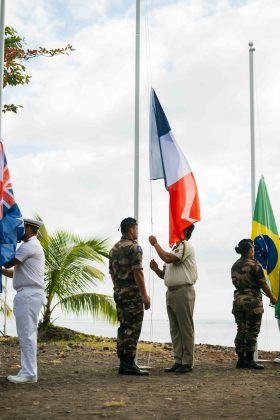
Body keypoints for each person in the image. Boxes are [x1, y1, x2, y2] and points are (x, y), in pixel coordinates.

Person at [149, 224, 197, 373]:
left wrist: (155, 244)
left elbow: (167, 258)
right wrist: (156, 269)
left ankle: (187, 362)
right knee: (175, 328)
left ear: (184, 232)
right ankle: (178, 359)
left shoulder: (185, 246)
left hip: (183, 291)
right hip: (171, 291)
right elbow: (165, 274)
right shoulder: (176, 248)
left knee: (185, 327)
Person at [2, 218, 45, 384]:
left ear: (28, 229)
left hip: (29, 294)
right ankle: (27, 370)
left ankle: (29, 373)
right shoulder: (30, 247)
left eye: (21, 228)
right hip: (28, 293)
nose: (19, 231)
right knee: (26, 334)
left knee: (26, 335)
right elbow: (15, 273)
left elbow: (8, 262)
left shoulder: (28, 246)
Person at [109, 217, 151, 376]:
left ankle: (123, 362)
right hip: (132, 294)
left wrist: (118, 288)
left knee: (123, 326)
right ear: (132, 229)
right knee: (133, 327)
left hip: (119, 291)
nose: (137, 232)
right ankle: (129, 363)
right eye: (137, 229)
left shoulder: (114, 249)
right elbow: (138, 273)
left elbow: (112, 273)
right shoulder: (134, 248)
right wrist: (145, 296)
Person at [231, 238, 277, 369]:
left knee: (241, 329)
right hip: (252, 301)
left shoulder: (235, 265)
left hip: (238, 300)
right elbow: (263, 284)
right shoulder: (254, 265)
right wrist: (272, 297)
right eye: (253, 249)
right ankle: (250, 360)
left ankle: (241, 360)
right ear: (250, 250)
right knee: (252, 330)